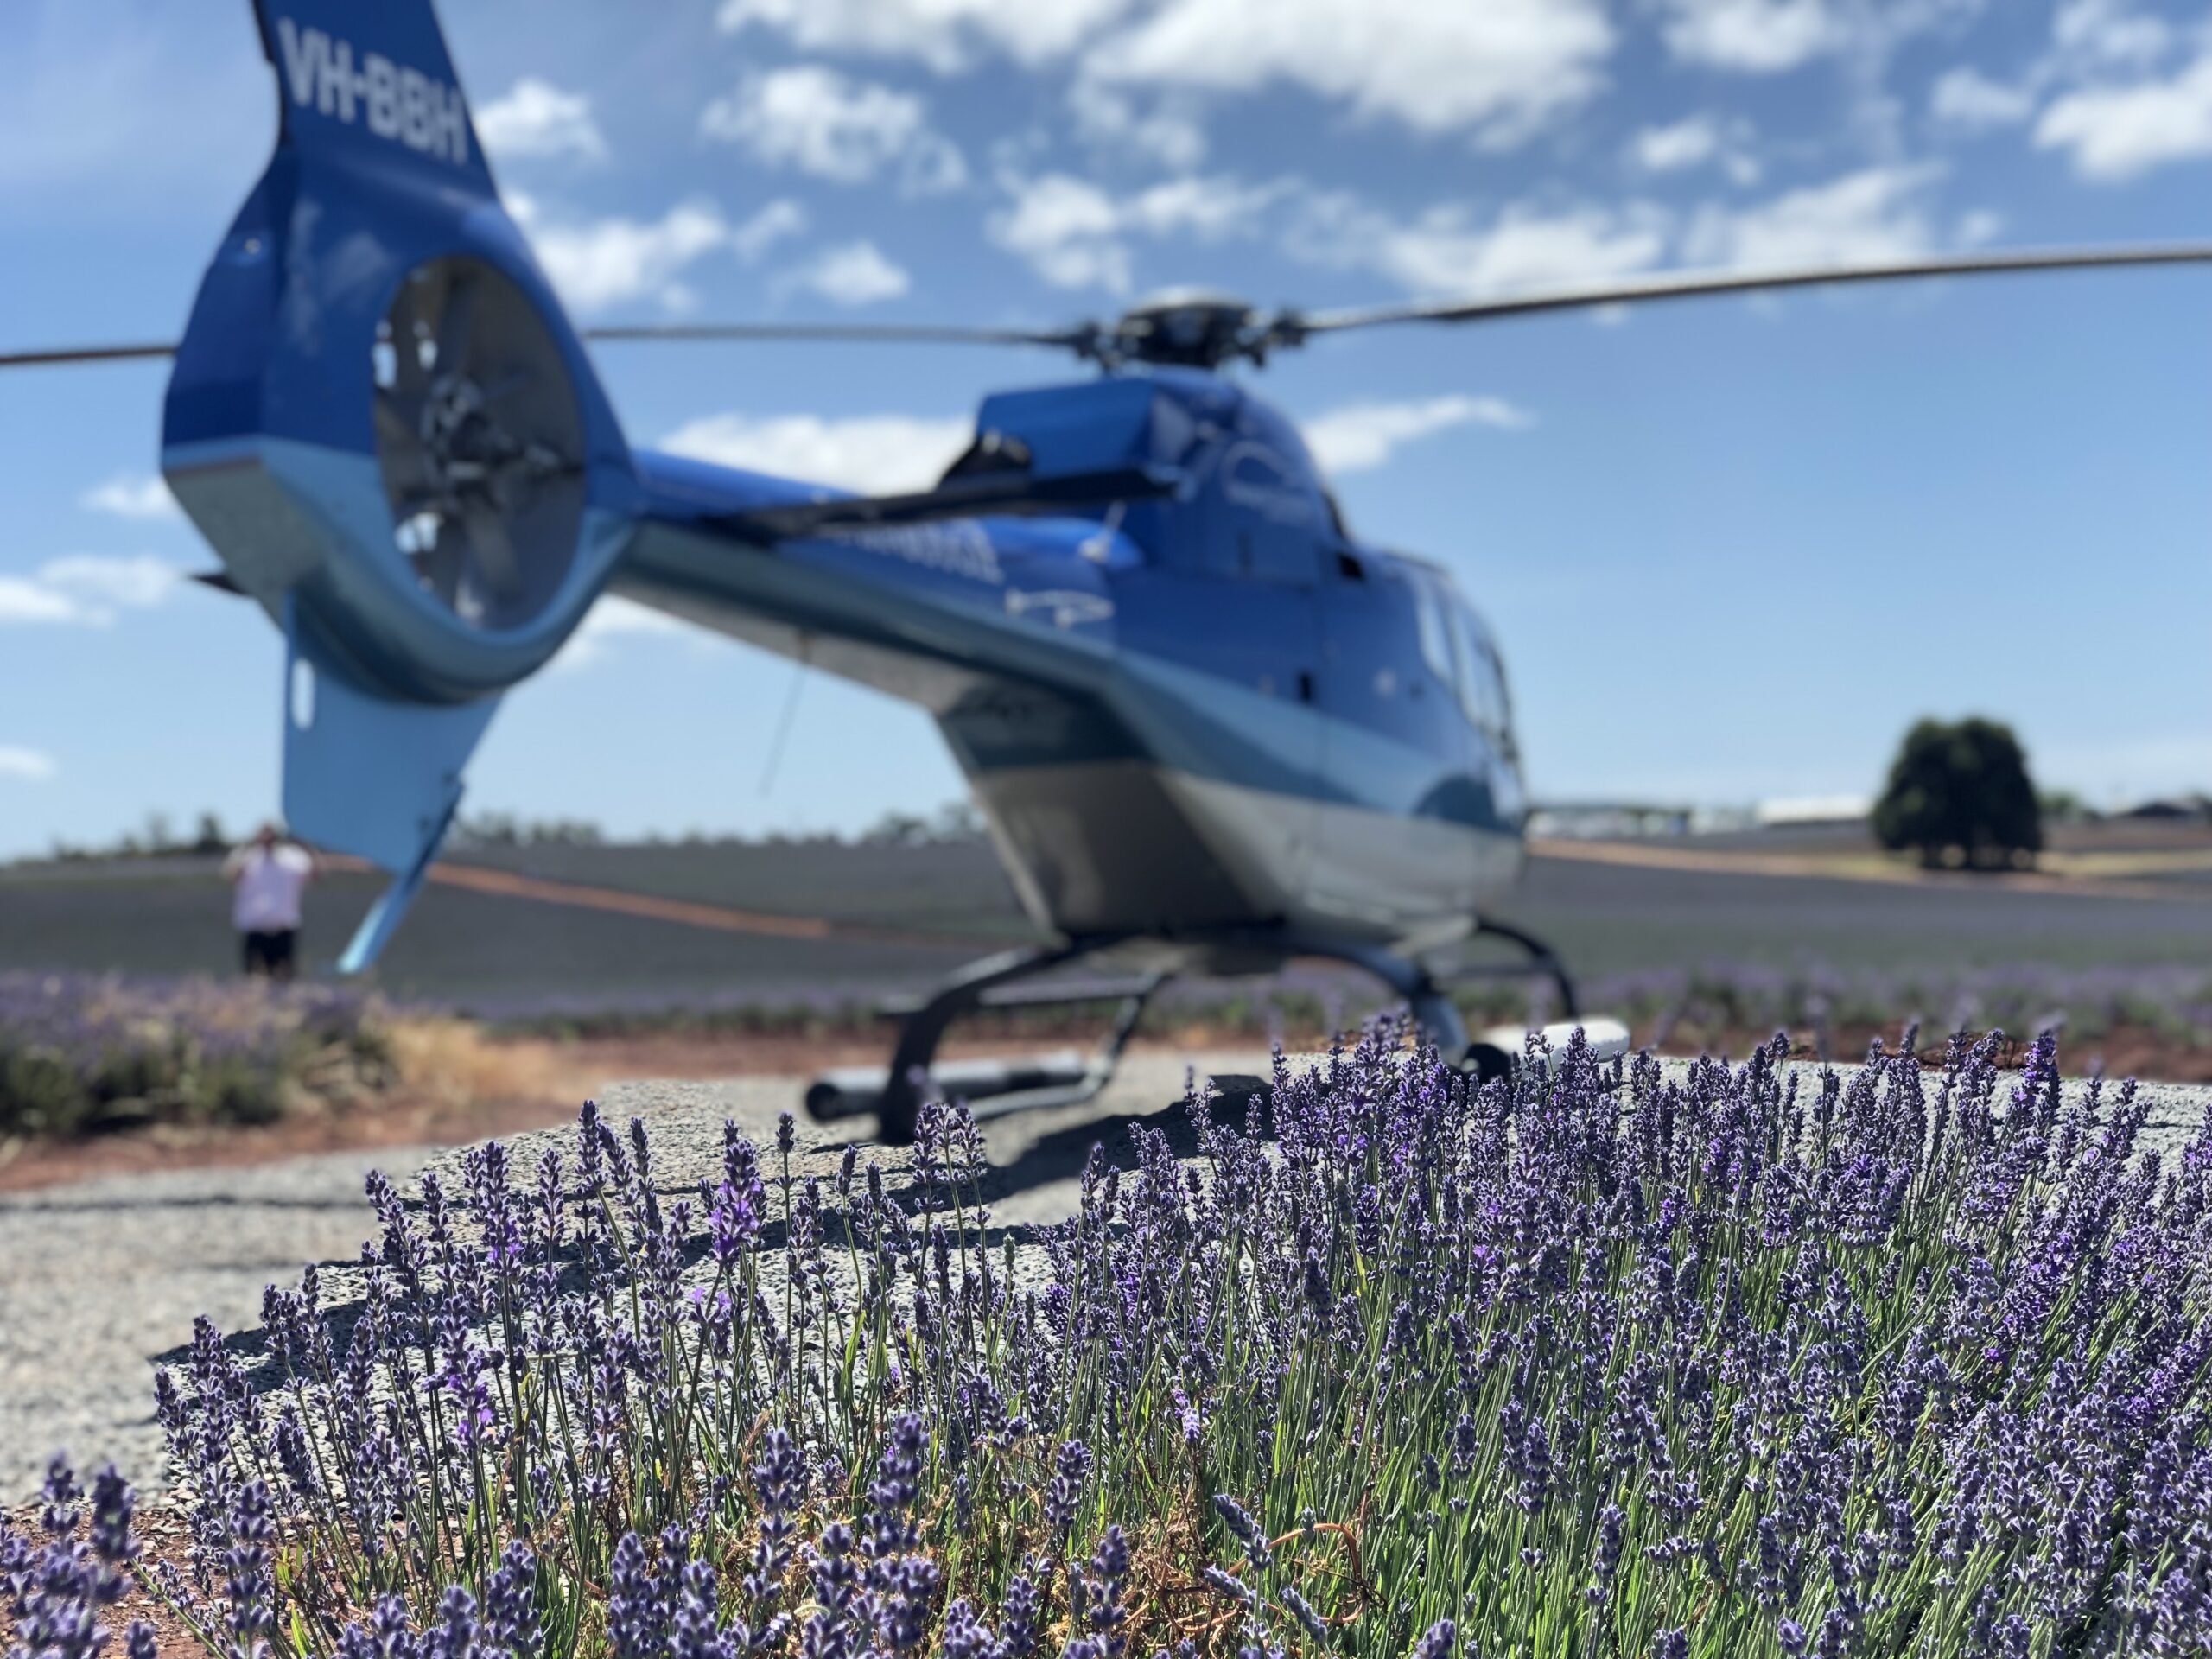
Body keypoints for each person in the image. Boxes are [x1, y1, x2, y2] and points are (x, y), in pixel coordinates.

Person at [223, 822, 318, 979]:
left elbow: (315, 875)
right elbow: (232, 876)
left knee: (284, 979)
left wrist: (307, 847)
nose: (268, 839)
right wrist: (247, 848)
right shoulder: (246, 857)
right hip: (254, 929)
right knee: (253, 979)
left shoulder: (292, 858)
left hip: (283, 930)